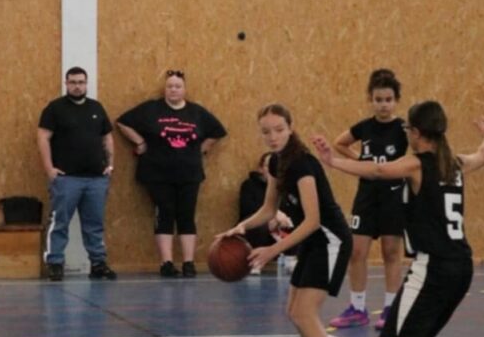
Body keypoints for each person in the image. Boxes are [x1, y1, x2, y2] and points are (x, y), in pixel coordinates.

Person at [313, 103, 484, 337]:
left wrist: (333, 161)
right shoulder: (454, 164)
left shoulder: (417, 164)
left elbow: (377, 170)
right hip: (462, 267)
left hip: (433, 267)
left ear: (416, 133)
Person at [222, 104, 353, 337]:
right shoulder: (275, 162)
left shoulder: (303, 164)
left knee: (306, 313)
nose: (273, 136)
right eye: (266, 131)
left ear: (291, 128)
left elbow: (312, 220)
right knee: (294, 311)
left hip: (330, 240)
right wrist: (240, 227)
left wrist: (272, 251)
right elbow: (269, 209)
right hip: (312, 241)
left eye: (279, 129)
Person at [116, 70, 227, 277]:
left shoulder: (196, 112)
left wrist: (203, 148)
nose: (173, 90)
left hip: (189, 174)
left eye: (177, 86)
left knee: (187, 215)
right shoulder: (151, 109)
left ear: (184, 89)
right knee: (165, 214)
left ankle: (188, 263)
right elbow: (122, 122)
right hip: (157, 174)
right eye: (169, 86)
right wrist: (140, 142)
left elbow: (218, 131)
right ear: (165, 89)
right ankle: (166, 263)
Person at [329, 68, 408, 332]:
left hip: (393, 196)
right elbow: (340, 143)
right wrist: (361, 161)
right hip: (366, 196)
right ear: (370, 100)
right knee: (357, 251)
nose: (383, 105)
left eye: (388, 99)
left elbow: (419, 152)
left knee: (391, 252)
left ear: (396, 100)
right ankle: (357, 308)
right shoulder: (364, 127)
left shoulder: (403, 128)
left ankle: (390, 309)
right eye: (378, 99)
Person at [37, 66, 116, 282]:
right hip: (66, 178)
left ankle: (98, 263)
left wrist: (110, 165)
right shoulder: (55, 108)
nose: (77, 86)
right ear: (66, 83)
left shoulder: (96, 108)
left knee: (94, 224)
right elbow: (43, 137)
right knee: (59, 222)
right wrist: (49, 169)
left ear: (86, 83)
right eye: (72, 82)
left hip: (96, 178)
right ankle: (55, 263)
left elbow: (107, 137)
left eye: (81, 82)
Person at [239, 153, 294, 274]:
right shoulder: (249, 185)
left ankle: (290, 257)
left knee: (294, 223)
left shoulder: (285, 187)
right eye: (268, 166)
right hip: (257, 228)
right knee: (256, 224)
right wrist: (272, 216)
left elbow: (291, 208)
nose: (272, 170)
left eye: (276, 167)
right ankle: (255, 260)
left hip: (278, 228)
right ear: (260, 168)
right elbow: (247, 208)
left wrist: (281, 219)